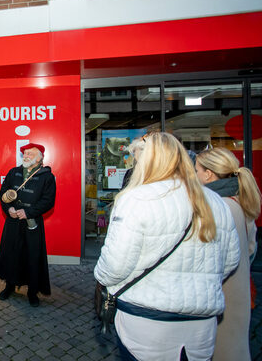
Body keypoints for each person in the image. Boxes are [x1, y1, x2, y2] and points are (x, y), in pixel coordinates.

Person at [94, 132, 240, 361]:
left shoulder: (136, 199)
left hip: (147, 321)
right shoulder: (214, 201)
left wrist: (102, 277)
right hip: (201, 325)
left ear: (147, 161)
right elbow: (230, 260)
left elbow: (115, 266)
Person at [195, 147, 260, 361]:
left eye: (197, 171)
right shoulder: (240, 201)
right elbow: (251, 249)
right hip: (238, 293)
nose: (195, 176)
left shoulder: (215, 207)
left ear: (208, 174)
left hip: (220, 297)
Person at [0, 143, 56, 307]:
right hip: (13, 221)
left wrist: (29, 213)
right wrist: (9, 209)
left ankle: (32, 292)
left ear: (39, 157)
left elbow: (48, 201)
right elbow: (3, 192)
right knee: (11, 254)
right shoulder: (13, 172)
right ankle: (9, 286)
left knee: (32, 256)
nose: (26, 156)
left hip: (32, 222)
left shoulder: (47, 176)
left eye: (30, 153)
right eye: (25, 153)